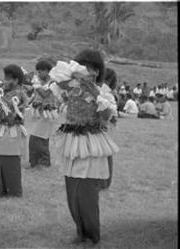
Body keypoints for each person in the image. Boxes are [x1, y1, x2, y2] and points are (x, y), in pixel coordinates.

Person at [50, 49, 119, 245]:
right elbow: (57, 99)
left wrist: (92, 90)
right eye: (81, 66)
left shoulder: (103, 92)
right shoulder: (70, 88)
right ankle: (80, 232)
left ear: (97, 71)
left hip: (91, 144)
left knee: (86, 193)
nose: (83, 71)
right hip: (71, 142)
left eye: (88, 68)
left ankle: (92, 235)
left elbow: (110, 118)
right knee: (72, 191)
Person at [0, 64, 28, 197]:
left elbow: (8, 113)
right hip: (0, 128)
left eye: (9, 78)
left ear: (17, 80)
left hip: (11, 130)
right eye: (5, 78)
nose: (5, 81)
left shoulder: (19, 94)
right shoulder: (3, 92)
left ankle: (14, 190)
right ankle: (0, 189)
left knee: (10, 159)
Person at [27, 60, 59, 168]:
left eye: (41, 71)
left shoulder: (53, 83)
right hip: (38, 112)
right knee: (38, 137)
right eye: (38, 71)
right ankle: (36, 162)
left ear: (47, 71)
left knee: (38, 138)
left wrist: (36, 85)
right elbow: (36, 95)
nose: (39, 74)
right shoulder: (39, 81)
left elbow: (45, 95)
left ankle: (43, 161)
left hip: (48, 113)